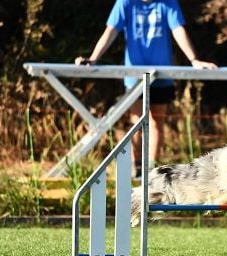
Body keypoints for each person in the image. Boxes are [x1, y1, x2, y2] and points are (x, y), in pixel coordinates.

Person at [75, 0, 217, 176]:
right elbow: (110, 31)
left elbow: (178, 30)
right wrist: (93, 58)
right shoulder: (125, 3)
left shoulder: (167, 3)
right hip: (134, 76)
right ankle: (136, 166)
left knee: (157, 122)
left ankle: (151, 169)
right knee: (136, 122)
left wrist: (194, 60)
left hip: (161, 74)